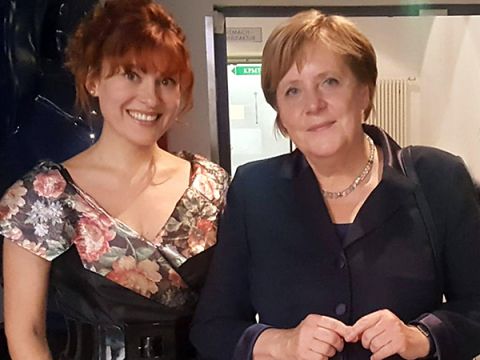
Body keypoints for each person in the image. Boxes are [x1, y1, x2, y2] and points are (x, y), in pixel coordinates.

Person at [191, 9, 480, 360]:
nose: (313, 105)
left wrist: (421, 336)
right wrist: (283, 343)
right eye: (292, 91)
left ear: (364, 93)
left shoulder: (438, 178)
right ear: (280, 116)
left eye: (329, 82)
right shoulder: (255, 191)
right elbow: (212, 327)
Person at [0, 0, 229, 359]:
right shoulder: (41, 197)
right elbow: (25, 332)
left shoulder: (212, 186)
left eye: (166, 80)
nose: (150, 98)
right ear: (93, 79)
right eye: (131, 75)